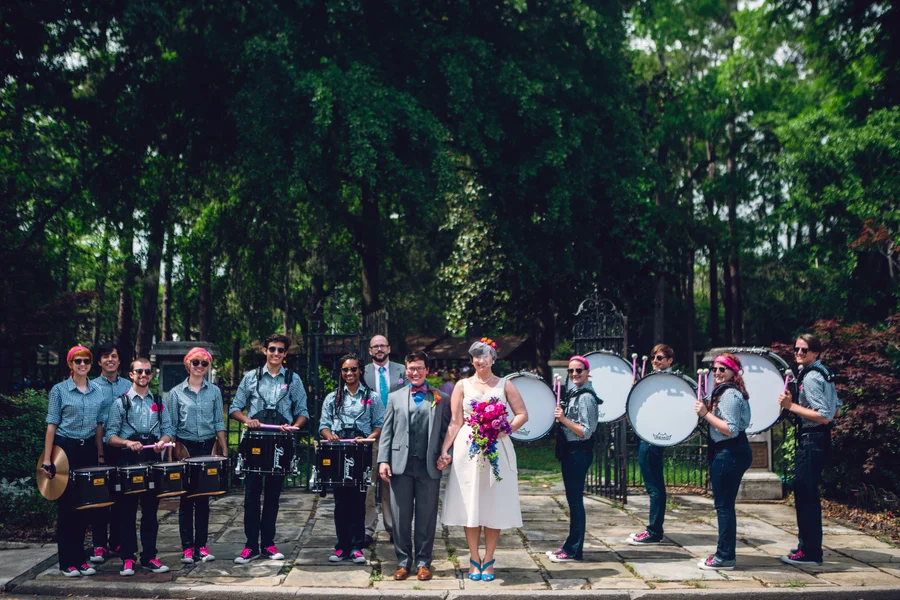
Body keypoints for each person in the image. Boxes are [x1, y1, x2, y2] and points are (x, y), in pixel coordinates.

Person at [441, 338, 528, 582]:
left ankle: (489, 558)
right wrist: (444, 450)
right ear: (471, 360)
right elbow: (455, 422)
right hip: (468, 449)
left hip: (496, 448)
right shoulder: (462, 386)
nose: (481, 360)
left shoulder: (505, 385)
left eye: (485, 356)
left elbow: (522, 414)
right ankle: (473, 557)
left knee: (492, 504)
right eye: (476, 357)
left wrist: (506, 428)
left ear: (493, 359)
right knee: (471, 503)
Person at [230, 334, 309, 564]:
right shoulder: (250, 378)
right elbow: (234, 408)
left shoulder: (293, 380)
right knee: (252, 495)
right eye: (272, 349)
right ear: (265, 350)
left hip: (280, 443)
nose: (276, 353)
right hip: (255, 442)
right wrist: (246, 420)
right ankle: (250, 546)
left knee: (273, 496)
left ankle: (269, 544)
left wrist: (294, 427)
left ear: (285, 354)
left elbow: (303, 411)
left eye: (281, 350)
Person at [378, 351, 452, 581]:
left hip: (429, 466)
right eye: (411, 368)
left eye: (420, 368)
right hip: (400, 466)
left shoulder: (440, 399)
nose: (415, 372)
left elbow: (447, 432)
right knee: (400, 517)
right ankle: (402, 562)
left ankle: (423, 562)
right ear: (406, 370)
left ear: (427, 370)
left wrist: (446, 454)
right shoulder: (395, 397)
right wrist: (383, 459)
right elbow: (387, 432)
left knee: (426, 516)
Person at [105, 358, 174, 576]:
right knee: (126, 512)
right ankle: (127, 558)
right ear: (131, 375)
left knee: (151, 512)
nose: (143, 375)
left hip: (151, 459)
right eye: (139, 372)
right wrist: (126, 442)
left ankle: (150, 556)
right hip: (128, 461)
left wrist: (163, 440)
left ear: (151, 375)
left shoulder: (160, 402)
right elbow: (109, 436)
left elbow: (168, 428)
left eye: (147, 372)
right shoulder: (120, 403)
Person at [778, 334, 842, 567]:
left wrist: (791, 406)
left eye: (804, 350)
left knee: (805, 497)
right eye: (796, 349)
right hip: (819, 440)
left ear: (815, 353)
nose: (799, 353)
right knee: (807, 494)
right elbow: (837, 411)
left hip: (811, 440)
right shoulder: (824, 373)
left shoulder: (812, 377)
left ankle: (810, 553)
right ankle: (807, 546)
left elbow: (824, 415)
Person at [41, 346, 105, 577]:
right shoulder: (59, 391)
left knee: (84, 506)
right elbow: (52, 424)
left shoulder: (98, 390)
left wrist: (99, 455)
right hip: (64, 449)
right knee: (67, 508)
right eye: (77, 361)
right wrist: (47, 459)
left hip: (87, 448)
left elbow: (99, 425)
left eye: (86, 361)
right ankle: (67, 561)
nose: (82, 364)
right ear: (70, 364)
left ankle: (81, 559)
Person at [320, 353, 384, 564]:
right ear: (341, 373)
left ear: (360, 371)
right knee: (340, 501)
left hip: (361, 450)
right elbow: (324, 425)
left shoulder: (371, 397)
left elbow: (379, 424)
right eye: (345, 370)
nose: (349, 373)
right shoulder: (332, 397)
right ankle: (342, 546)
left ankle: (356, 546)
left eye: (353, 369)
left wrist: (368, 439)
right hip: (339, 450)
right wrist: (331, 436)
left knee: (359, 499)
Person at [169, 347, 227, 564]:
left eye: (204, 363)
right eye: (196, 362)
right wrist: (171, 454)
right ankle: (186, 547)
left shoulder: (214, 392)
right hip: (185, 448)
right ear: (187, 364)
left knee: (203, 499)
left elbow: (219, 422)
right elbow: (172, 426)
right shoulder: (176, 393)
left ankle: (201, 546)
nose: (200, 367)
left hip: (206, 448)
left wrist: (224, 449)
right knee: (186, 499)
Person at [694, 353, 752, 571]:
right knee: (725, 506)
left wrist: (706, 414)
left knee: (724, 507)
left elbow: (731, 429)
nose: (717, 373)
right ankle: (724, 553)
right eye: (715, 369)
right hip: (730, 452)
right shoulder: (725, 392)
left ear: (733, 372)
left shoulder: (729, 395)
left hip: (729, 452)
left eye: (722, 369)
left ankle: (725, 557)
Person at [547, 356, 601, 563]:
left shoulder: (586, 397)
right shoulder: (574, 394)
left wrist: (563, 419)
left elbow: (586, 431)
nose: (575, 374)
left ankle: (574, 549)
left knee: (576, 502)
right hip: (571, 451)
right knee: (573, 501)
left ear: (587, 373)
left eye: (579, 370)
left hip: (579, 452)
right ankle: (570, 546)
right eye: (571, 371)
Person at [90, 342, 132, 564]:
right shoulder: (92, 386)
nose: (110, 360)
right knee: (101, 497)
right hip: (99, 446)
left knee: (120, 495)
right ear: (99, 362)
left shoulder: (128, 385)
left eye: (114, 356)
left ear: (119, 360)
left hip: (122, 446)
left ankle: (116, 540)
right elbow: (96, 422)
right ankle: (99, 544)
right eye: (105, 356)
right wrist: (99, 454)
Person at [629, 343, 674, 546]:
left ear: (669, 361)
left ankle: (654, 530)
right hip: (647, 433)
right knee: (654, 484)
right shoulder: (653, 380)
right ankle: (654, 528)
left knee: (654, 485)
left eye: (660, 358)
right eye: (654, 357)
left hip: (654, 436)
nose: (656, 361)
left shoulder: (668, 381)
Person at [362, 335, 405, 545]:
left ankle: (392, 528)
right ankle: (368, 529)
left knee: (390, 482)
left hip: (396, 433)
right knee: (369, 483)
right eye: (375, 346)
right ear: (370, 351)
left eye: (382, 345)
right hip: (371, 434)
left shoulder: (402, 371)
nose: (379, 349)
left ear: (388, 348)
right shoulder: (363, 372)